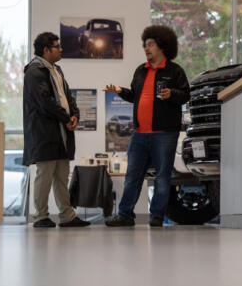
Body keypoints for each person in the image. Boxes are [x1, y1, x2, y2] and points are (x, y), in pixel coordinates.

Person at [104, 25, 189, 227]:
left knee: (162, 177)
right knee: (132, 176)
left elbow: (186, 94)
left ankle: (157, 216)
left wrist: (172, 94)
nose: (146, 48)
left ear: (162, 46)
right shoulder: (140, 71)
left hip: (164, 134)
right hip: (139, 134)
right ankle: (125, 215)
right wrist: (119, 91)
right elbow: (135, 96)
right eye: (145, 45)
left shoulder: (175, 71)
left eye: (150, 44)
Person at [23, 32, 90, 228]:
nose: (61, 49)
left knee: (62, 175)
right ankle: (41, 216)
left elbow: (68, 96)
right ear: (46, 50)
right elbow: (45, 102)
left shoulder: (56, 70)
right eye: (57, 46)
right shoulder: (34, 71)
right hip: (45, 133)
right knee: (44, 175)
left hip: (62, 133)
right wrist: (66, 117)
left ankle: (67, 215)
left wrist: (74, 114)